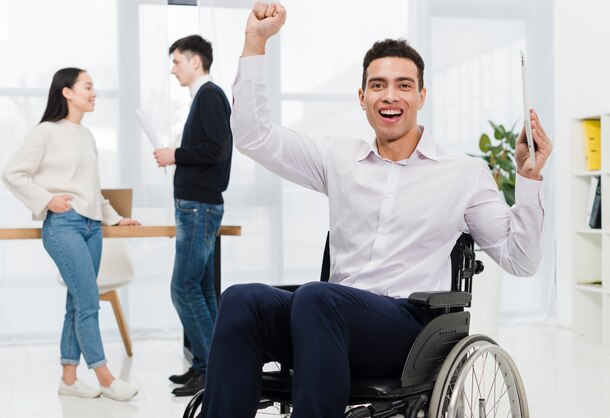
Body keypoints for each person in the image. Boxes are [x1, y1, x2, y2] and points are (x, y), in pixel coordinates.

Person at [198, 3, 553, 418]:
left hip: (405, 332)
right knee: (241, 300)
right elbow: (255, 137)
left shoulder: (463, 173)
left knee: (318, 298)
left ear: (421, 96)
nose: (390, 95)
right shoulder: (337, 157)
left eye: (403, 85)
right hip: (326, 321)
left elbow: (521, 259)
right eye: (378, 85)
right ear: (362, 97)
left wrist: (528, 180)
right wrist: (255, 41)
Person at [2, 68, 141, 401]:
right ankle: (104, 376)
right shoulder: (46, 132)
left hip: (93, 227)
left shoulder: (87, 136)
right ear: (67, 92)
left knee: (77, 302)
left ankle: (68, 377)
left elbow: (92, 189)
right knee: (89, 300)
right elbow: (13, 173)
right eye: (88, 86)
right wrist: (47, 199)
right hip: (63, 226)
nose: (94, 93)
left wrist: (115, 218)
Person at [153, 35, 233, 397]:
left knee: (182, 288)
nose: (173, 69)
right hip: (196, 205)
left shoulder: (210, 95)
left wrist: (176, 155)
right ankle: (207, 366)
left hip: (198, 206)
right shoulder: (203, 97)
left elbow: (216, 150)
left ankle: (215, 368)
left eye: (177, 62)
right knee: (199, 287)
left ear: (196, 61)